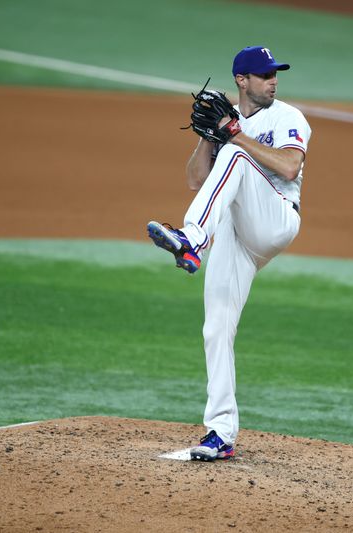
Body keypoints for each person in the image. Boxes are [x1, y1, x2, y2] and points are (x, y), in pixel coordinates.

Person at [146, 46, 311, 461]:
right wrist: (210, 136)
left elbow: (289, 168)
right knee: (216, 328)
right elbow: (195, 179)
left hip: (274, 218)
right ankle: (220, 433)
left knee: (238, 154)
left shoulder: (288, 117)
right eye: (264, 74)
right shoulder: (227, 125)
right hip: (236, 234)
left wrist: (234, 135)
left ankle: (191, 239)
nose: (273, 80)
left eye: (275, 73)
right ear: (242, 80)